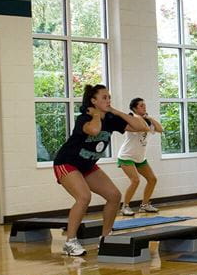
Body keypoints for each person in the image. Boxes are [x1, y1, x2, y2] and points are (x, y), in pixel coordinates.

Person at [53, 84, 148, 256]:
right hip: (67, 163)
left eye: (109, 97)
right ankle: (70, 242)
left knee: (114, 196)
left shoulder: (111, 119)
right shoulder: (84, 118)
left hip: (87, 165)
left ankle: (105, 237)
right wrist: (97, 115)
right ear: (93, 101)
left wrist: (116, 112)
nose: (108, 100)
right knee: (83, 197)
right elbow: (95, 130)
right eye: (104, 97)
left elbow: (142, 126)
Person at [117, 97, 164, 216]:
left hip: (139, 158)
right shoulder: (133, 120)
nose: (144, 107)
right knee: (135, 180)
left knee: (152, 179)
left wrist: (149, 117)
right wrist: (139, 117)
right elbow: (143, 127)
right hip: (126, 156)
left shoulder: (146, 120)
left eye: (144, 105)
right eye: (141, 106)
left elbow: (160, 129)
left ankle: (144, 205)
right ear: (134, 109)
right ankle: (125, 207)